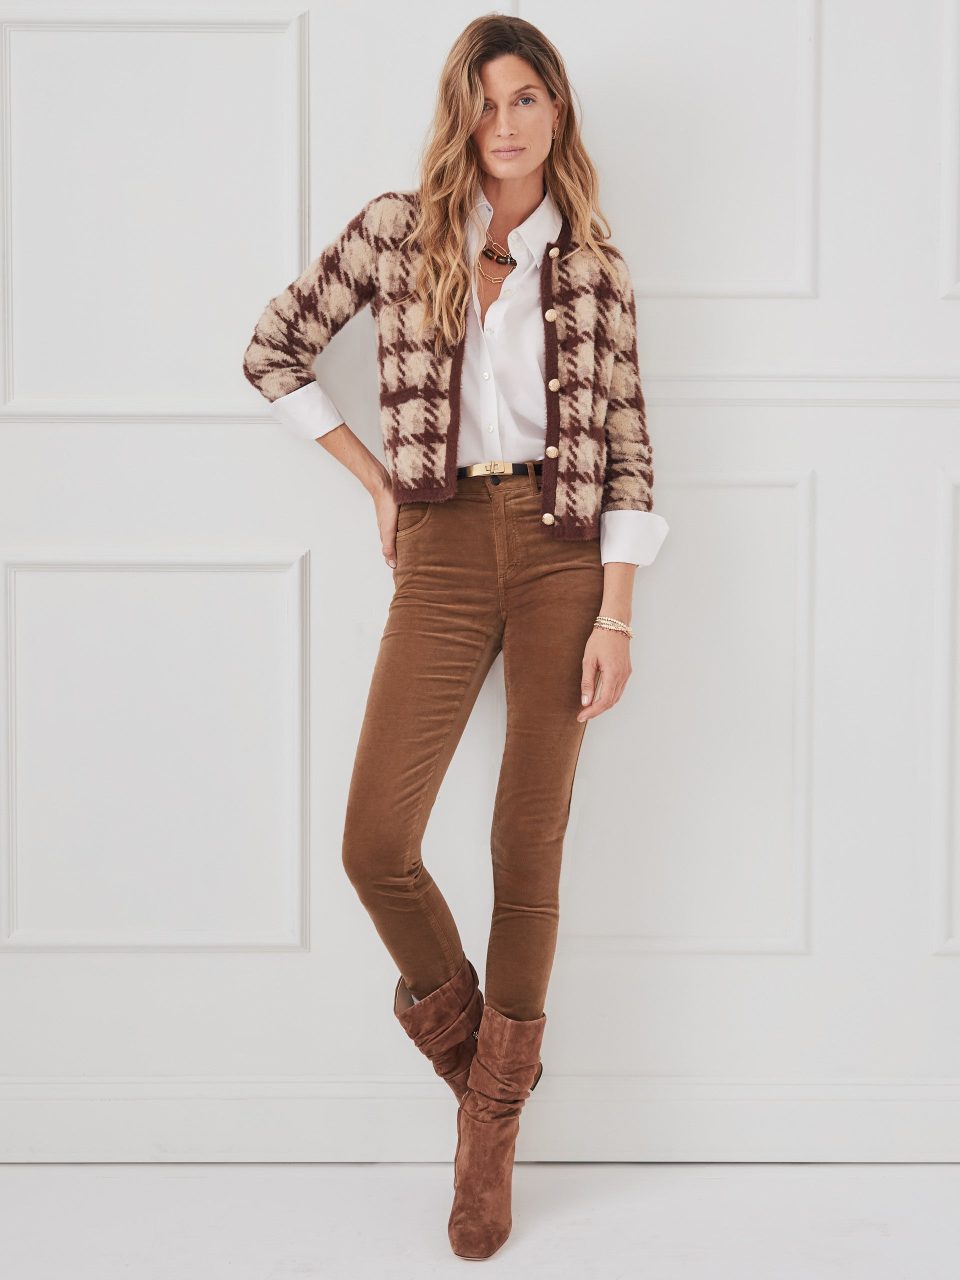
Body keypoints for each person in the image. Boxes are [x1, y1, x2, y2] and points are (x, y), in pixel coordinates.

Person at [242, 13, 669, 1261]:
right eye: (485, 102)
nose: (505, 122)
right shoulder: (398, 230)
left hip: (563, 551)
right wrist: (375, 478)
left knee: (524, 843)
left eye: (526, 97)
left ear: (557, 109)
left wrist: (618, 609)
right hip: (435, 544)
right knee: (376, 839)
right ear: (459, 115)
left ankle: (488, 1138)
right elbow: (272, 350)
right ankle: (490, 1073)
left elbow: (631, 447)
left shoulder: (593, 267)